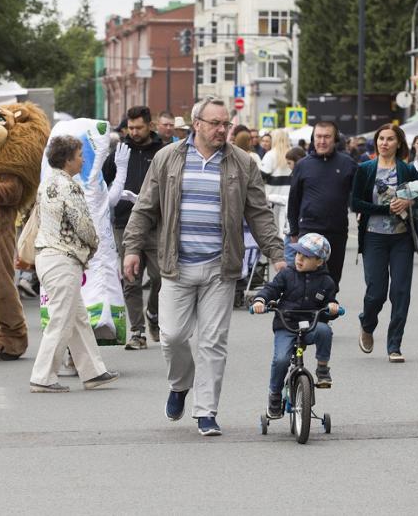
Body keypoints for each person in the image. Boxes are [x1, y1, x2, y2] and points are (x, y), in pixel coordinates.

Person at [122, 96, 285, 437]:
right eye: (215, 123)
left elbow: (258, 213)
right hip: (176, 265)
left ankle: (206, 411)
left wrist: (277, 254)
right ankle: (180, 384)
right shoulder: (168, 158)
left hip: (219, 267)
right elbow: (146, 207)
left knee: (213, 342)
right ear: (196, 124)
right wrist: (132, 248)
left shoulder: (242, 162)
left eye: (225, 123)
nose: (222, 129)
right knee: (172, 337)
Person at [29, 136, 120, 393]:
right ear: (68, 160)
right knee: (61, 320)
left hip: (47, 257)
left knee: (78, 319)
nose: (82, 160)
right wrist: (94, 245)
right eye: (79, 155)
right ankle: (43, 377)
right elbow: (83, 224)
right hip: (63, 258)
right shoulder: (70, 186)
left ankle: (93, 372)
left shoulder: (47, 183)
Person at [352, 123, 418, 362]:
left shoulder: (407, 170)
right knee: (376, 292)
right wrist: (385, 209)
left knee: (400, 292)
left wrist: (411, 203)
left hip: (401, 239)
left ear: (398, 143)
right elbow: (355, 204)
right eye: (381, 139)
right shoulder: (365, 169)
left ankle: (394, 345)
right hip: (373, 237)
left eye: (389, 139)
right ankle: (367, 325)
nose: (384, 143)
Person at [251, 233, 340, 419]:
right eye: (298, 254)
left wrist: (332, 308)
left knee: (325, 331)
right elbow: (271, 289)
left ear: (319, 262)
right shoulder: (287, 274)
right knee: (281, 359)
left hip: (310, 325)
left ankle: (322, 368)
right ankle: (275, 394)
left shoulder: (326, 282)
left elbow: (330, 303)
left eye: (306, 256)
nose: (299, 258)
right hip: (287, 325)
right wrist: (260, 300)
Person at [102, 105, 165, 349]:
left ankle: (153, 313)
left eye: (139, 127)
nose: (134, 131)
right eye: (131, 127)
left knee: (161, 276)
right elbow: (102, 184)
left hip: (155, 223)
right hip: (124, 223)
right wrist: (114, 198)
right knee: (131, 279)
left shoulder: (162, 151)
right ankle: (137, 331)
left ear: (150, 125)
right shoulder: (120, 151)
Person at [286, 121, 357, 289]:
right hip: (309, 230)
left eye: (327, 137)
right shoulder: (303, 165)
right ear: (313, 138)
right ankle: (305, 315)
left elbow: (358, 197)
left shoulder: (348, 164)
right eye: (318, 136)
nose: (322, 141)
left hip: (337, 232)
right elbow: (293, 200)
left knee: (331, 282)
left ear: (335, 139)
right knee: (305, 281)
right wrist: (294, 230)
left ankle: (324, 315)